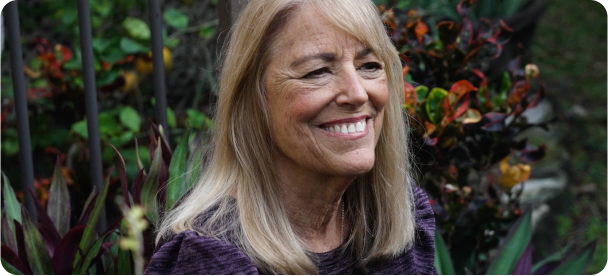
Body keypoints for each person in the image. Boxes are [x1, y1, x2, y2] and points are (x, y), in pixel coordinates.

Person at [146, 0, 436, 274]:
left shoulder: (400, 215)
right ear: (254, 100)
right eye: (317, 72)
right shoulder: (211, 260)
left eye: (369, 66)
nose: (358, 93)